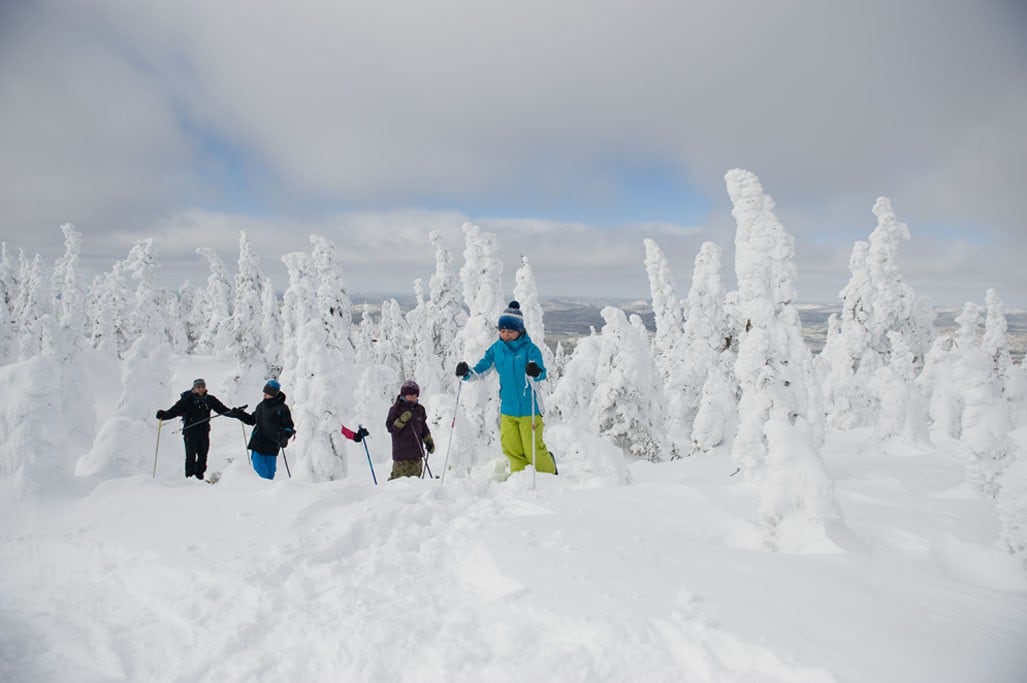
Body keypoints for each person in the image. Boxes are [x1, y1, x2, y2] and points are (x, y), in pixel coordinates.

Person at [455, 301, 557, 476]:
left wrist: (535, 370)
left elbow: (540, 373)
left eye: (510, 331)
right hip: (508, 409)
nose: (506, 334)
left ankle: (549, 475)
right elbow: (481, 370)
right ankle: (520, 479)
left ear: (520, 330)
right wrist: (466, 373)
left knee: (532, 450)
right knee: (512, 449)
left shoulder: (530, 349)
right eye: (502, 331)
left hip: (529, 409)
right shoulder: (496, 350)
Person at [156, 378, 242, 480]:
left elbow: (222, 410)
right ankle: (189, 479)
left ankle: (199, 478)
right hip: (190, 433)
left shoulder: (210, 399)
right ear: (194, 388)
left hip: (204, 432)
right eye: (198, 387)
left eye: (203, 387)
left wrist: (235, 413)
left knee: (203, 457)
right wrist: (164, 415)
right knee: (190, 458)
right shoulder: (187, 400)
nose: (201, 389)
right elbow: (174, 411)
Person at [235, 379, 295, 480]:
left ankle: (268, 492)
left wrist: (285, 437)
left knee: (270, 473)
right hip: (258, 442)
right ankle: (261, 488)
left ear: (275, 394)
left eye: (268, 393)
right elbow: (252, 420)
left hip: (273, 443)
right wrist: (239, 414)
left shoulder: (282, 409)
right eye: (265, 392)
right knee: (259, 469)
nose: (265, 395)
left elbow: (289, 426)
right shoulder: (261, 406)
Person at [385, 379, 434, 480]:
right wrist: (401, 421)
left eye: (415, 394)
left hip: (417, 456)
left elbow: (423, 427)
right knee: (398, 484)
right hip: (401, 457)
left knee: (415, 485)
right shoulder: (395, 409)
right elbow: (391, 428)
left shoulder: (420, 409)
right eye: (410, 394)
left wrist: (429, 442)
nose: (413, 397)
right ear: (404, 395)